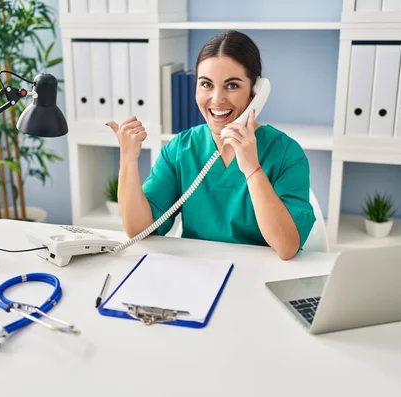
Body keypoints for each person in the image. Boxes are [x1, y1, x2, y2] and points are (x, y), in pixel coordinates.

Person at [106, 30, 316, 260]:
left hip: (259, 277)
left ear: (256, 91)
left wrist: (252, 169)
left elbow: (287, 248)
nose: (217, 99)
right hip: (199, 274)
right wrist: (128, 159)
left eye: (232, 86)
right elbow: (138, 230)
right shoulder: (181, 149)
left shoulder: (286, 152)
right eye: (206, 84)